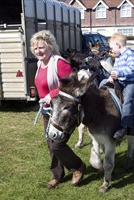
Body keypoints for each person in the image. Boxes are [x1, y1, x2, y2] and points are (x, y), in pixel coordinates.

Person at [30, 30, 86, 189]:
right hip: (49, 111)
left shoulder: (59, 63)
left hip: (63, 111)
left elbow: (71, 86)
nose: (38, 51)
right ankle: (57, 175)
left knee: (57, 145)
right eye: (35, 48)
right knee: (51, 144)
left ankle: (78, 167)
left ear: (50, 47)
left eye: (41, 47)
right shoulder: (40, 63)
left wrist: (52, 95)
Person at [107, 32, 134, 140]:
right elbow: (116, 68)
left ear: (118, 45)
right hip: (122, 80)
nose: (111, 50)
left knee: (127, 99)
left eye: (112, 48)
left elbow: (132, 68)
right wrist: (111, 76)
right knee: (104, 83)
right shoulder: (118, 57)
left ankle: (124, 126)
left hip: (132, 81)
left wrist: (119, 74)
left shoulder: (130, 54)